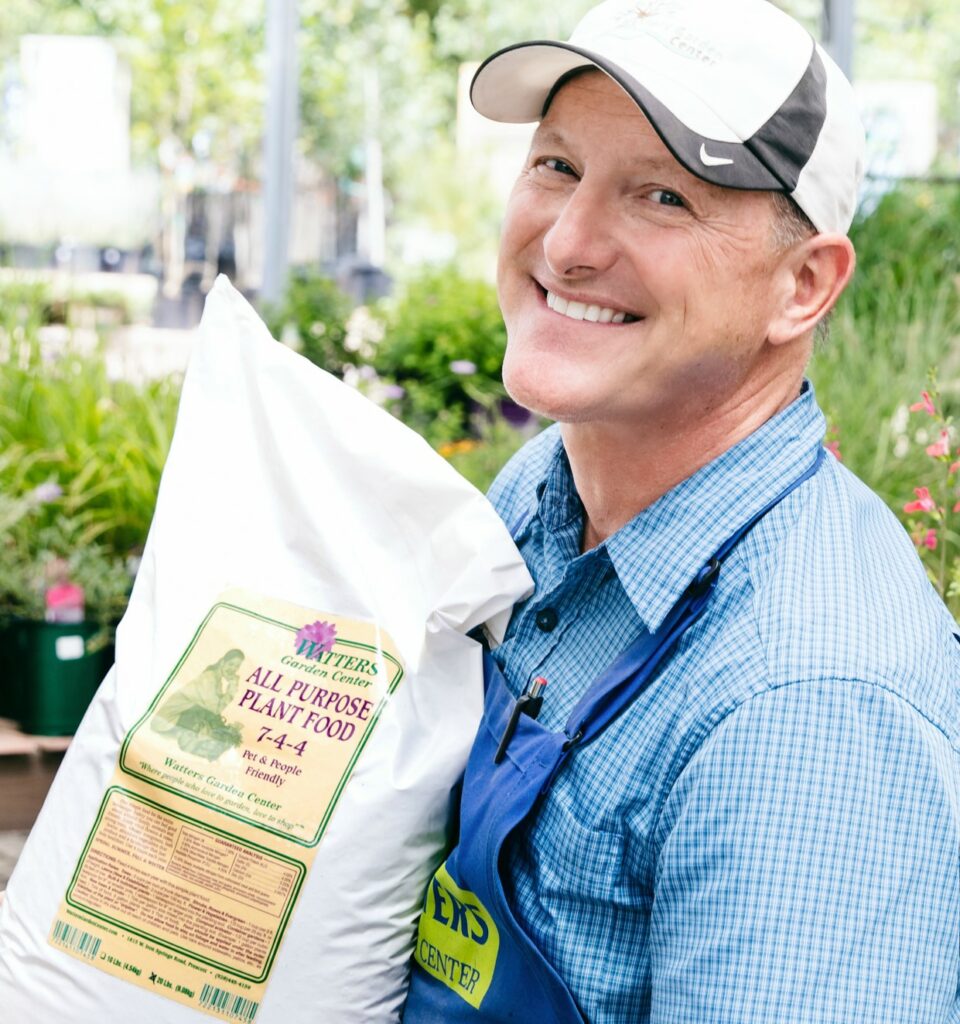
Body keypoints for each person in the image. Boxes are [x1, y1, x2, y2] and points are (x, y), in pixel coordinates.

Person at [403, 1, 960, 1021]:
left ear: (802, 284)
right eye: (556, 166)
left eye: (660, 195)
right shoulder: (541, 492)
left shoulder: (807, 706)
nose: (567, 244)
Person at [150, 647, 245, 760]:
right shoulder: (209, 677)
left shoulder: (216, 679)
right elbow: (216, 709)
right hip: (167, 719)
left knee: (217, 729)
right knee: (212, 732)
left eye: (237, 666)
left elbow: (215, 708)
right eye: (231, 664)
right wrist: (233, 686)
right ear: (223, 662)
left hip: (182, 715)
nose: (233, 669)